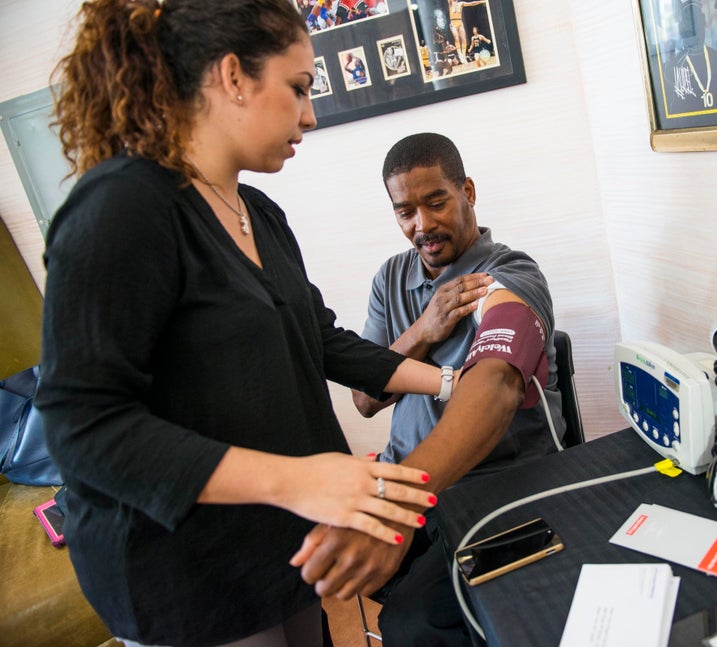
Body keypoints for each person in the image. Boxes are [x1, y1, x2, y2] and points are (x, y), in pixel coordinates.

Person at [35, 1, 446, 646]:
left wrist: (447, 383)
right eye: (299, 87)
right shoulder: (124, 209)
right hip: (181, 567)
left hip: (278, 541)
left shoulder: (259, 212)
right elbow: (84, 427)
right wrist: (304, 479)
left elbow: (319, 337)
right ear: (233, 77)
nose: (311, 114)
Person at [290, 132, 565, 646]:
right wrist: (423, 329)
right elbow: (367, 400)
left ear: (469, 191)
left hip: (491, 488)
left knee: (413, 627)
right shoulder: (390, 278)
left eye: (436, 202)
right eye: (405, 212)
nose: (422, 225)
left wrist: (408, 498)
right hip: (408, 484)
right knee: (314, 566)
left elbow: (499, 380)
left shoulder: (509, 272)